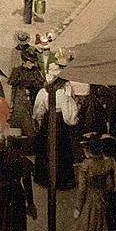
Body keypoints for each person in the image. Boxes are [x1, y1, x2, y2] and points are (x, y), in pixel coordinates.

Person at [32, 57, 79, 190]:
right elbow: (69, 112)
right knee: (62, 149)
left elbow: (39, 111)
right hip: (60, 121)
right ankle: (62, 181)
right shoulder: (65, 90)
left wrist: (40, 121)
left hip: (48, 120)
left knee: (47, 148)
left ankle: (46, 180)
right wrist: (72, 120)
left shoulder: (44, 91)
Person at [69, 132, 115, 231]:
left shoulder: (85, 165)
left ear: (88, 150)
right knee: (101, 227)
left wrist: (78, 207)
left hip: (89, 201)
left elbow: (82, 190)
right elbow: (110, 186)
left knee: (85, 229)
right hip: (102, 199)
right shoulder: (107, 164)